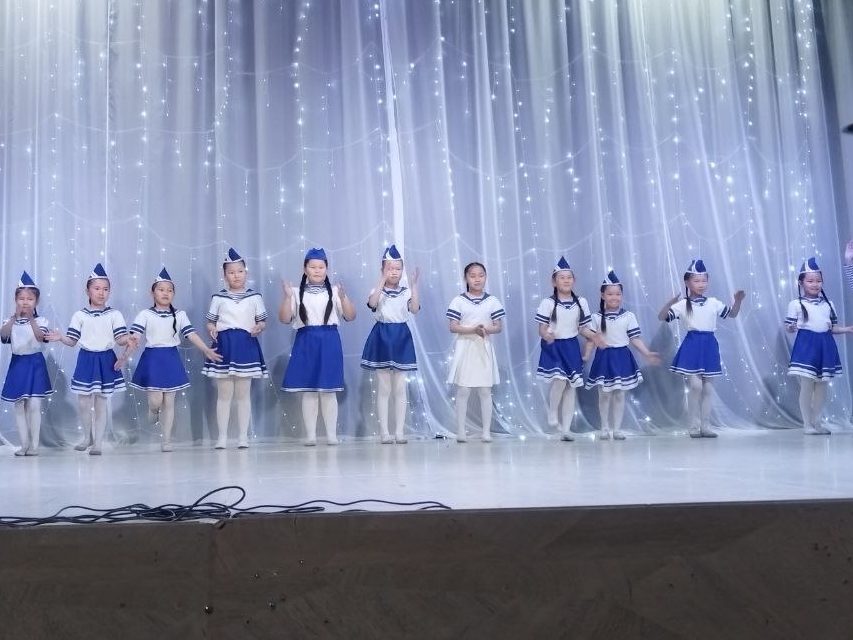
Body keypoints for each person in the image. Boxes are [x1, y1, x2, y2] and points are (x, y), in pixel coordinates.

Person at [126, 268, 221, 451]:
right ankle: (153, 409)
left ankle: (167, 440)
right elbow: (134, 336)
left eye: (170, 290)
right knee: (156, 400)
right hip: (152, 359)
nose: (166, 293)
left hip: (171, 358)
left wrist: (205, 350)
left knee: (169, 401)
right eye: (161, 289)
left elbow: (191, 334)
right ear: (153, 293)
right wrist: (125, 355)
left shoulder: (180, 315)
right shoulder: (145, 314)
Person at [658, 259, 745, 438]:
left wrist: (737, 301)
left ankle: (705, 426)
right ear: (687, 282)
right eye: (696, 280)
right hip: (692, 345)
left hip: (709, 345)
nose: (701, 284)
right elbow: (662, 317)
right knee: (696, 386)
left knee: (708, 389)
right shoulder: (682, 304)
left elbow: (732, 314)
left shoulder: (713, 302)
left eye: (704, 280)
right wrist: (669, 303)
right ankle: (693, 425)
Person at [280, 248, 356, 445]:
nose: (317, 270)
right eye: (313, 267)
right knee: (309, 390)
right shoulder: (295, 292)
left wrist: (344, 298)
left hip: (329, 341)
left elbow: (350, 316)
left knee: (329, 390)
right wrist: (287, 297)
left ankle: (331, 435)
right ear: (305, 269)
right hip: (306, 341)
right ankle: (311, 435)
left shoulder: (335, 291)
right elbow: (285, 319)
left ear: (326, 269)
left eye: (321, 267)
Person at [58, 263, 132, 455]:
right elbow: (72, 341)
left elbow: (120, 339)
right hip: (86, 359)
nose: (101, 293)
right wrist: (60, 337)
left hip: (106, 359)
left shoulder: (115, 314)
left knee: (101, 402)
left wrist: (128, 339)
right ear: (88, 291)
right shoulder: (79, 315)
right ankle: (87, 437)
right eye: (97, 288)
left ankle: (98, 442)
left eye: (105, 289)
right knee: (83, 402)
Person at [202, 248, 268, 449]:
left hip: (246, 344)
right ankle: (222, 437)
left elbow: (262, 321)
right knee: (224, 395)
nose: (236, 275)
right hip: (224, 345)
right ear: (224, 275)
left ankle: (242, 437)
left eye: (240, 271)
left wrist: (259, 327)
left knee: (243, 395)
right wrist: (212, 329)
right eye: (231, 272)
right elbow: (210, 322)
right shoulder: (218, 297)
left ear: (246, 273)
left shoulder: (255, 297)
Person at [584, 270, 660, 440]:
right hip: (604, 359)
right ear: (603, 295)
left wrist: (647, 353)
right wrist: (586, 356)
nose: (614, 297)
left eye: (618, 294)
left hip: (622, 358)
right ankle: (604, 427)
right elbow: (590, 339)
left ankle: (617, 429)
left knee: (619, 394)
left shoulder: (628, 316)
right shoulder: (595, 317)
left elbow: (635, 338)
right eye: (610, 294)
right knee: (604, 394)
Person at [535, 257, 605, 441]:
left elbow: (583, 328)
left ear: (574, 280)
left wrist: (594, 336)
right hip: (553, 346)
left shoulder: (581, 302)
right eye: (562, 278)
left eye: (569, 277)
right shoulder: (547, 303)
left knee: (571, 387)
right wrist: (546, 335)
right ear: (554, 282)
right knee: (559, 380)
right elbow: (541, 328)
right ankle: (552, 412)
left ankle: (565, 429)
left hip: (571, 346)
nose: (566, 281)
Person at [786, 257, 853, 434]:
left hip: (825, 345)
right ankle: (807, 424)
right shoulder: (796, 304)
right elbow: (789, 327)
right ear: (801, 283)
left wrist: (847, 329)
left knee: (822, 385)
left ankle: (817, 422)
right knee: (807, 385)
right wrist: (791, 327)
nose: (815, 284)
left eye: (818, 280)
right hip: (806, 346)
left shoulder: (828, 304)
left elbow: (832, 328)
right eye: (810, 281)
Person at [360, 245, 420, 444]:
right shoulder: (377, 291)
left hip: (401, 336)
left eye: (398, 268)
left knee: (400, 387)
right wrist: (381, 281)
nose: (394, 272)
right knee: (384, 388)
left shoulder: (405, 292)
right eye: (390, 268)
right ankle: (384, 432)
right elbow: (372, 303)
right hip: (382, 336)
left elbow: (415, 309)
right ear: (382, 269)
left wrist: (414, 286)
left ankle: (399, 432)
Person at [0, 272, 62, 456]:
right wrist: (14, 318)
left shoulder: (41, 321)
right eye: (21, 299)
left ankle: (34, 445)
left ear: (36, 301)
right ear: (15, 300)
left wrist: (31, 319)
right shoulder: (8, 321)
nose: (25, 302)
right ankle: (24, 444)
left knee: (34, 405)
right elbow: (3, 335)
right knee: (19, 405)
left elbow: (40, 337)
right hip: (18, 364)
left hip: (35, 364)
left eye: (30, 299)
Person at [446, 262, 504, 442]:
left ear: (486, 277)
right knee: (463, 390)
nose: (477, 279)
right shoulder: (458, 301)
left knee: (485, 390)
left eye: (481, 275)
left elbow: (498, 327)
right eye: (472, 275)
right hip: (465, 347)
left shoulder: (492, 301)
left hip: (483, 348)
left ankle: (486, 431)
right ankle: (460, 431)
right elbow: (453, 326)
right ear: (466, 278)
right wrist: (473, 329)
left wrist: (485, 329)